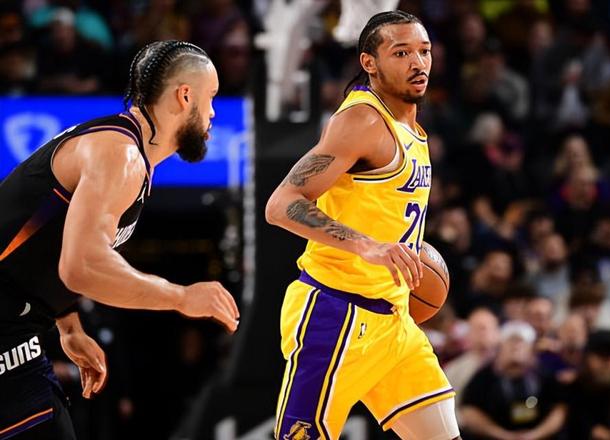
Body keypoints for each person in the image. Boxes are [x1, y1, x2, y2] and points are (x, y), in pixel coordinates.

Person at [0, 40, 239, 439]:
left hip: (17, 319)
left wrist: (69, 326)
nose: (213, 112)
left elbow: (47, 238)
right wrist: (181, 297)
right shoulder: (120, 155)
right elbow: (82, 265)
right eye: (210, 97)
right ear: (185, 95)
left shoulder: (123, 150)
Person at [266, 10, 461, 440]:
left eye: (424, 51)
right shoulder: (361, 121)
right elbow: (282, 204)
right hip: (335, 314)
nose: (418, 63)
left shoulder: (410, 125)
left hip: (394, 321)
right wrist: (367, 246)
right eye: (401, 53)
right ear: (369, 62)